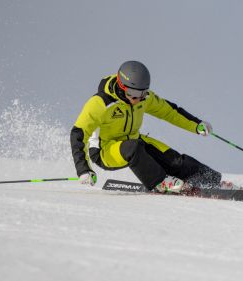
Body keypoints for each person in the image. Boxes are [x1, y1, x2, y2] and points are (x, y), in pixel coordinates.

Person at [70, 60, 223, 193]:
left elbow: (169, 112)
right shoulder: (100, 103)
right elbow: (78, 134)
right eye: (133, 94)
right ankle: (160, 182)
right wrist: (84, 170)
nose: (138, 99)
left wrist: (196, 125)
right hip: (105, 151)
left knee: (173, 159)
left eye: (143, 93)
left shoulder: (143, 99)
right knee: (134, 147)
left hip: (134, 141)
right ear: (122, 87)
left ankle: (211, 180)